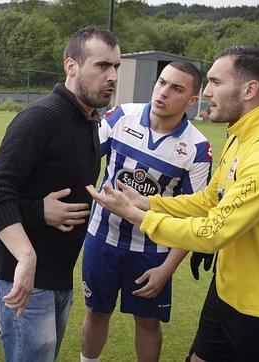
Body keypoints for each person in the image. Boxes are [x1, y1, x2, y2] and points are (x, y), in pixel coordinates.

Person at [87, 45, 259, 361]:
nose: (207, 92)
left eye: (215, 82)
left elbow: (213, 233)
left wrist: (139, 216)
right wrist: (150, 203)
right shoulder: (242, 136)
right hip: (225, 292)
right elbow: (210, 200)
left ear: (249, 90)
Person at [0, 26, 121, 362]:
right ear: (71, 66)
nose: (112, 76)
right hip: (24, 277)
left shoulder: (88, 120)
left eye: (116, 67)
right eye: (102, 66)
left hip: (57, 276)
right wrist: (28, 251)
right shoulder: (42, 118)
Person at [80, 62, 212, 362]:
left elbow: (194, 216)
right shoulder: (121, 116)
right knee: (97, 311)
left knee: (148, 322)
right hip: (102, 239)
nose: (164, 92)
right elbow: (81, 155)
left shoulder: (197, 148)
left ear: (193, 100)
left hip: (152, 250)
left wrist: (167, 269)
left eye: (176, 88)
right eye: (162, 82)